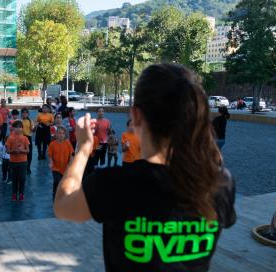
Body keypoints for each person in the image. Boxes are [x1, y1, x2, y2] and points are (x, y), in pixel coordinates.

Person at [53, 63, 236, 271]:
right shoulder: (220, 182)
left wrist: (83, 148)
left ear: (136, 115)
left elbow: (62, 205)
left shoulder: (115, 184)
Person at [6, 121, 30, 202]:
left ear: (22, 128)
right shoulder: (10, 138)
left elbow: (28, 150)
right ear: (13, 128)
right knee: (15, 179)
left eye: (20, 127)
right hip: (13, 162)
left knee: (22, 178)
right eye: (16, 127)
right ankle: (14, 193)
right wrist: (14, 150)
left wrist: (22, 150)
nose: (18, 129)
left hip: (23, 162)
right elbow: (7, 151)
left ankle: (21, 193)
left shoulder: (25, 138)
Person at [48, 126, 73, 201]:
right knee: (57, 180)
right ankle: (55, 193)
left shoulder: (68, 143)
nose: (61, 135)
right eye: (59, 133)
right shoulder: (52, 144)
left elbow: (71, 155)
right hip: (55, 167)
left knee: (62, 182)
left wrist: (71, 165)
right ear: (56, 134)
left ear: (65, 134)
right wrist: (51, 162)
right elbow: (50, 156)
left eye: (62, 133)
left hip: (65, 168)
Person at [20, 108, 34, 175]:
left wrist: (36, 127)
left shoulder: (30, 121)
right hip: (21, 138)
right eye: (23, 113)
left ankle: (28, 167)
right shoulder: (19, 121)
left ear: (28, 114)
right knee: (21, 152)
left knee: (29, 154)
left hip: (28, 138)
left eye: (26, 113)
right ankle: (23, 167)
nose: (24, 114)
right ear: (21, 114)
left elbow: (32, 130)